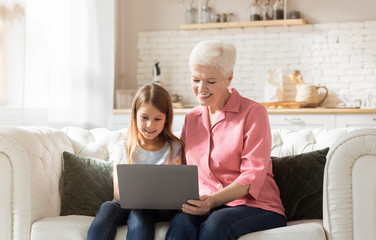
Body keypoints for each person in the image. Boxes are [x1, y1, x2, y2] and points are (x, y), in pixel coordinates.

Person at [165, 40, 287, 240]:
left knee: (216, 223)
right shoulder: (191, 118)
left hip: (256, 206)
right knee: (181, 221)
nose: (201, 88)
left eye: (210, 81)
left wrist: (212, 201)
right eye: (196, 80)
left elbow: (251, 176)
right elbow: (184, 168)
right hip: (209, 205)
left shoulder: (253, 113)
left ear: (229, 78)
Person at [87, 84, 184, 240]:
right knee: (108, 207)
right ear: (135, 115)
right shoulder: (123, 148)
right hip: (126, 205)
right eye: (144, 117)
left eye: (157, 119)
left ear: (166, 119)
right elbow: (118, 194)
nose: (149, 125)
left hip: (161, 208)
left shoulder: (175, 147)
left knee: (140, 215)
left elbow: (178, 189)